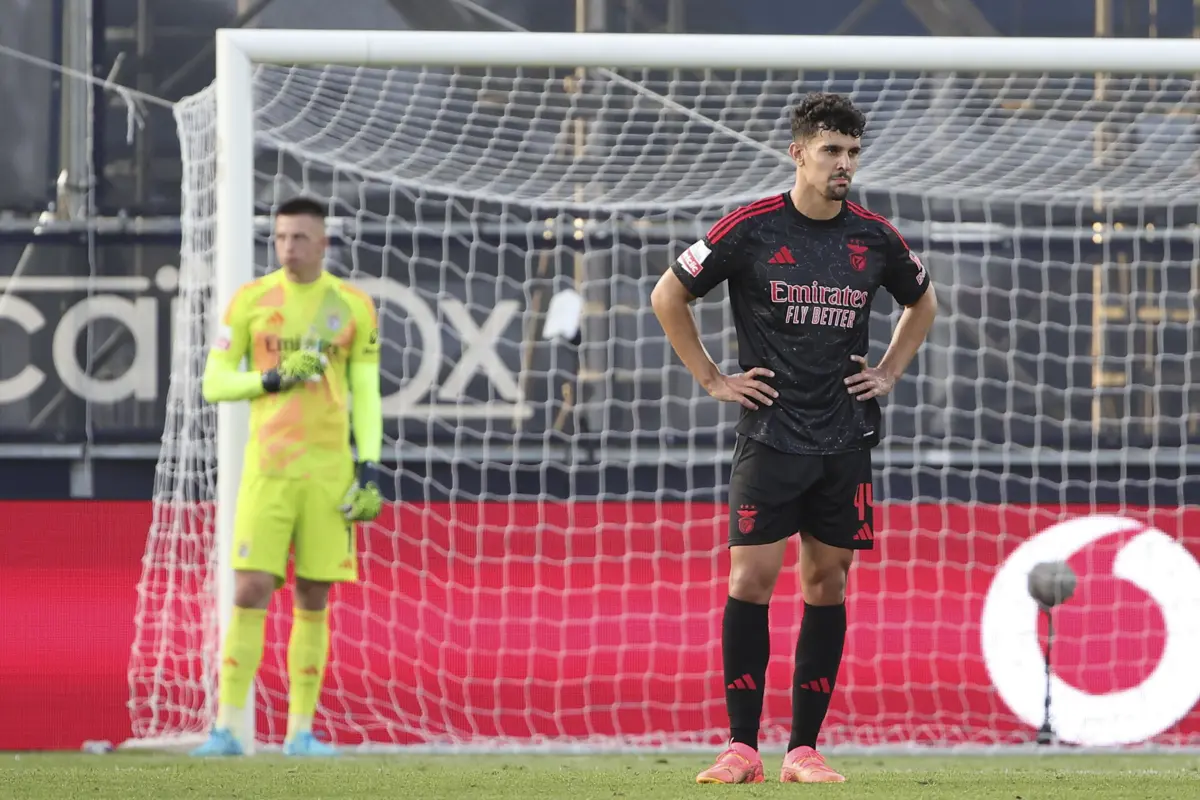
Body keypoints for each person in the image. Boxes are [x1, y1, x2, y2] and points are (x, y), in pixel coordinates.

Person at [651, 92, 938, 783]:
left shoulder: (874, 237)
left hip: (844, 440)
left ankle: (803, 750)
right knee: (749, 579)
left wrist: (890, 371)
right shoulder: (748, 228)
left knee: (826, 584)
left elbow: (922, 302)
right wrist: (714, 379)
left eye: (854, 153)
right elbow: (668, 294)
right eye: (833, 151)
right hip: (771, 436)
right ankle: (741, 747)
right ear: (799, 153)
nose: (845, 164)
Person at [192, 196, 385, 757]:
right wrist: (271, 377)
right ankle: (227, 728)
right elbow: (215, 384)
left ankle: (300, 732)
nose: (287, 248)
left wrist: (367, 469)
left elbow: (367, 394)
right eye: (279, 238)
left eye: (299, 238)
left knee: (314, 594)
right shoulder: (251, 302)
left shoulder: (353, 306)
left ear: (323, 243)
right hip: (268, 470)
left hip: (329, 474)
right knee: (250, 587)